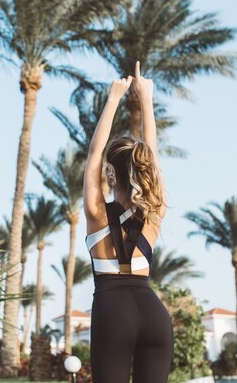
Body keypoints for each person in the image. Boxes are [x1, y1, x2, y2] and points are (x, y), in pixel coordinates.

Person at [82, 60, 174, 383]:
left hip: (111, 313)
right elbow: (153, 157)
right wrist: (146, 98)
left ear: (110, 174)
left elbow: (94, 154)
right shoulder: (153, 212)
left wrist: (114, 97)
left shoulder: (96, 213)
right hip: (154, 314)